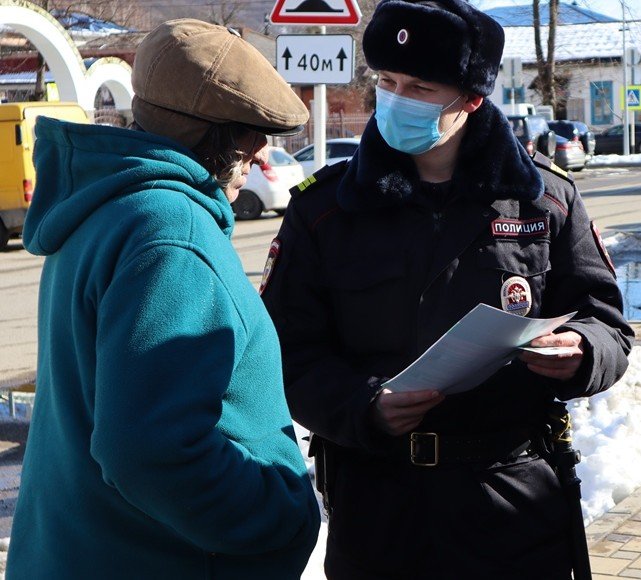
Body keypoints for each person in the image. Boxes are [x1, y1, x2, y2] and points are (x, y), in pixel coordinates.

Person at [260, 1, 633, 578]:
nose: (395, 98)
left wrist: (583, 352)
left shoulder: (544, 199)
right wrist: (364, 406)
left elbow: (606, 321)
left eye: (421, 86)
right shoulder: (324, 209)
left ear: (471, 100)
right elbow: (285, 352)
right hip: (378, 507)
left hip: (512, 503)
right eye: (386, 81)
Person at [7, 20, 320, 579]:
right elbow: (149, 451)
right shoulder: (171, 232)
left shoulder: (108, 202)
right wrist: (280, 515)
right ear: (217, 137)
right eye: (253, 133)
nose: (261, 150)